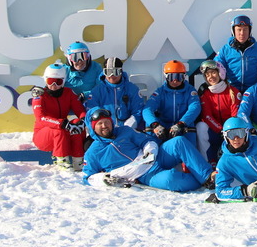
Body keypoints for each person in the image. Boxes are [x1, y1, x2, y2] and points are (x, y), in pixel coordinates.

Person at [82, 108, 213, 192]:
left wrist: (149, 151)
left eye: (106, 122)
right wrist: (103, 178)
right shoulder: (93, 152)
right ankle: (199, 181)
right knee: (171, 179)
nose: (104, 126)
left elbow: (146, 140)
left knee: (178, 142)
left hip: (154, 157)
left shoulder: (124, 130)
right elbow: (88, 177)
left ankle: (208, 177)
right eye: (100, 124)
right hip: (142, 174)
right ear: (93, 128)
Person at [31, 62, 86, 171]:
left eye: (58, 82)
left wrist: (82, 121)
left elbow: (80, 110)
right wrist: (62, 123)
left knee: (76, 124)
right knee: (59, 130)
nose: (54, 85)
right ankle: (62, 160)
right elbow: (41, 118)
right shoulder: (40, 96)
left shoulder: (68, 93)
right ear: (45, 80)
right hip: (43, 136)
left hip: (62, 134)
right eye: (50, 81)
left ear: (63, 81)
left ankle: (78, 160)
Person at [142, 60, 201, 145]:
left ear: (184, 77)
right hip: (163, 127)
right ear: (166, 77)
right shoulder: (160, 92)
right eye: (171, 77)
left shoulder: (190, 91)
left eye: (179, 77)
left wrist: (181, 123)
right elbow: (147, 109)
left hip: (182, 126)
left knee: (189, 132)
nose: (175, 81)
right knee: (149, 125)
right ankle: (152, 150)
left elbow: (195, 108)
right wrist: (155, 125)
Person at [196, 59, 241, 166]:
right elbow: (207, 115)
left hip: (231, 132)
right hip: (216, 131)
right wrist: (220, 129)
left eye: (213, 73)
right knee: (200, 126)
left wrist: (228, 130)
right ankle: (208, 162)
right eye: (207, 75)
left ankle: (235, 161)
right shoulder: (206, 94)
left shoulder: (233, 91)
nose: (211, 77)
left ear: (220, 73)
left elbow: (235, 115)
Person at [86, 57, 146, 130]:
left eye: (116, 72)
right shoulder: (96, 91)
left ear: (121, 72)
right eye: (108, 72)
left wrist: (128, 126)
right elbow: (91, 111)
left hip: (127, 130)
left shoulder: (132, 89)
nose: (112, 76)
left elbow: (138, 110)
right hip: (105, 130)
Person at [215, 15, 257, 93]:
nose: (242, 33)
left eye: (245, 29)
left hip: (253, 90)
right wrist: (209, 84)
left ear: (250, 31)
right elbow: (215, 67)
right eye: (239, 30)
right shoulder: (225, 50)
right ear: (233, 31)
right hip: (231, 90)